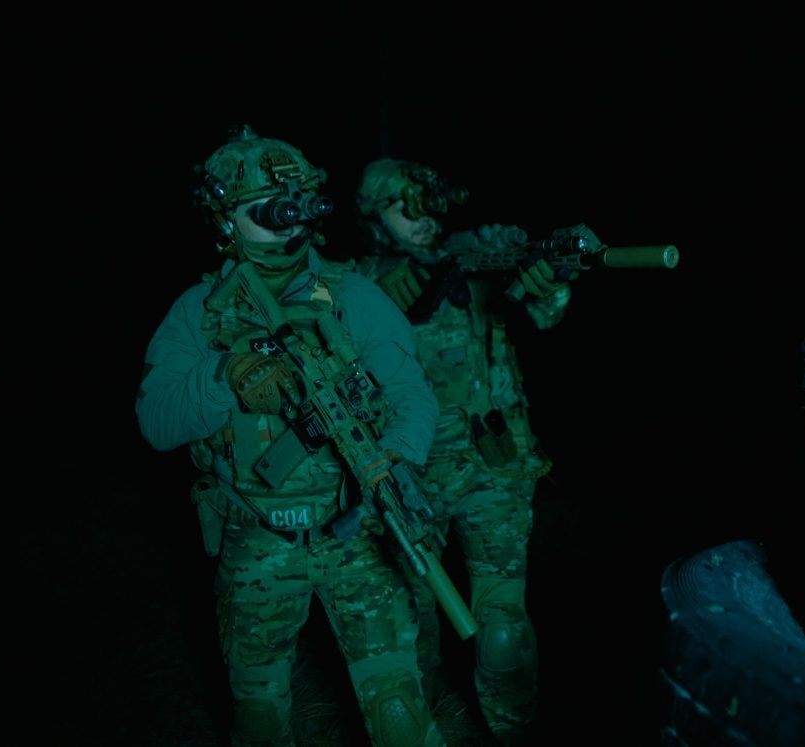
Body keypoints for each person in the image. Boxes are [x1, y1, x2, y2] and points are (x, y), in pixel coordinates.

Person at [135, 127, 447, 747]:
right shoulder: (198, 311)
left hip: (354, 534)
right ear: (224, 219)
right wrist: (224, 375)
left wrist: (396, 456)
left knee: (399, 717)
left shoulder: (353, 296)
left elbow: (413, 394)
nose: (289, 220)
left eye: (298, 202)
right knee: (260, 723)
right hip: (257, 539)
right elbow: (156, 422)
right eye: (267, 209)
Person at [353, 158, 599, 744]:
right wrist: (373, 301)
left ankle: (512, 730)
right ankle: (430, 723)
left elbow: (545, 309)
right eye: (399, 205)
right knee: (412, 623)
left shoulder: (475, 255)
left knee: (502, 626)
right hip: (402, 475)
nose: (418, 216)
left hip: (491, 467)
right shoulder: (357, 281)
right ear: (373, 217)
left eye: (424, 200)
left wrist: (550, 278)